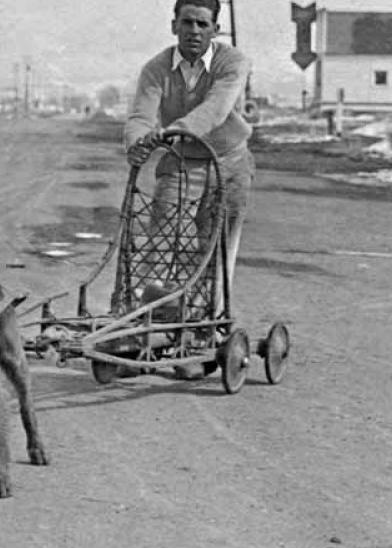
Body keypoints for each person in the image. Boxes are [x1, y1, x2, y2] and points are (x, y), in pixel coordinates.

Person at [123, 0, 255, 354]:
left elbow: (216, 108)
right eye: (187, 23)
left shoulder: (232, 62)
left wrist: (172, 131)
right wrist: (136, 143)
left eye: (202, 24)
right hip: (182, 161)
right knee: (161, 232)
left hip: (229, 160)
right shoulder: (156, 69)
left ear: (215, 29)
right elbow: (141, 114)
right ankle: (149, 315)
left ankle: (207, 328)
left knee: (216, 243)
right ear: (174, 26)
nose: (194, 31)